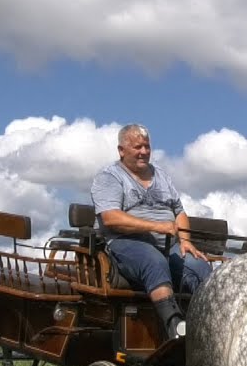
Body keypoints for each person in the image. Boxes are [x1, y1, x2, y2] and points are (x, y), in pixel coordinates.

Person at [90, 123, 212, 339]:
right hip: (125, 242)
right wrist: (156, 226)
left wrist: (184, 240)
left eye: (147, 146)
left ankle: (211, 325)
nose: (144, 152)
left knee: (198, 265)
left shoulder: (162, 176)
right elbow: (111, 218)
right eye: (138, 147)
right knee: (153, 261)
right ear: (121, 150)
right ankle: (175, 326)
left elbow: (179, 211)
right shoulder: (109, 177)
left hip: (168, 244)